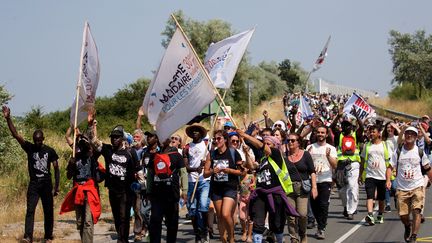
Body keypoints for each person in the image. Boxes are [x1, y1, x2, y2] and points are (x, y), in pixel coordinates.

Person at [2, 106, 60, 243]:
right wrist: (8, 118)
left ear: (43, 139)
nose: (37, 143)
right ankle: (28, 237)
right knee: (30, 210)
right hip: (34, 184)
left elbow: (56, 169)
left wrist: (56, 187)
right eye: (35, 140)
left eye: (39, 140)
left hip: (46, 184)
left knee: (48, 211)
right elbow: (16, 135)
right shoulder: (30, 148)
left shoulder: (50, 151)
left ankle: (48, 236)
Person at [237, 129, 299, 243]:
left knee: (277, 223)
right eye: (265, 143)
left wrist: (245, 135)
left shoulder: (276, 154)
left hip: (276, 194)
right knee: (258, 223)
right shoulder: (262, 159)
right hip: (261, 194)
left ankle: (279, 240)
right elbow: (252, 167)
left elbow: (260, 145)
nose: (265, 146)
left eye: (268, 144)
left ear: (275, 145)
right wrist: (246, 153)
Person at [87, 111, 138, 243]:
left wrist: (140, 186)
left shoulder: (131, 152)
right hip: (113, 190)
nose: (114, 139)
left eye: (116, 137)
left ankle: (122, 240)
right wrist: (90, 125)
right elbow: (92, 141)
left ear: (122, 139)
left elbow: (139, 171)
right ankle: (121, 237)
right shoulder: (108, 149)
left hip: (126, 191)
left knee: (124, 217)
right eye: (112, 137)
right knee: (117, 217)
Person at [386, 126, 432, 243]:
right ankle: (407, 226)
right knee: (403, 215)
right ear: (405, 136)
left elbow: (427, 168)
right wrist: (387, 180)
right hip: (402, 188)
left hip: (417, 186)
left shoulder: (419, 152)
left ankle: (413, 236)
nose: (409, 135)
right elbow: (390, 167)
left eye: (412, 134)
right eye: (407, 133)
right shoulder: (399, 151)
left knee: (417, 211)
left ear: (416, 137)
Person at [204, 130, 248, 243]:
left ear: (225, 140)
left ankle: (231, 238)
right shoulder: (211, 154)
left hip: (230, 187)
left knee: (225, 213)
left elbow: (242, 172)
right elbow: (205, 174)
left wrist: (229, 170)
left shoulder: (233, 153)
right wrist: (213, 171)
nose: (216, 141)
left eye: (219, 138)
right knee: (219, 216)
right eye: (215, 139)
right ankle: (223, 239)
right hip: (216, 188)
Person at [60, 133, 104, 243]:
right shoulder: (75, 157)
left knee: (88, 221)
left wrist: (88, 134)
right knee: (80, 222)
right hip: (78, 191)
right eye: (81, 143)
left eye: (85, 143)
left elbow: (98, 146)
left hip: (90, 191)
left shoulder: (93, 156)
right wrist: (71, 165)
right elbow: (69, 176)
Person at [147, 138, 188, 243]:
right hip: (157, 195)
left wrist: (184, 191)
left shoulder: (177, 155)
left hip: (172, 195)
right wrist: (148, 191)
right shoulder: (154, 155)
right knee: (155, 221)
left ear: (168, 139)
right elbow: (150, 174)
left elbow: (183, 173)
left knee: (172, 223)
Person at [330, 106, 364, 220]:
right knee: (342, 190)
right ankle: (346, 206)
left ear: (352, 126)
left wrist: (356, 115)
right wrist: (338, 116)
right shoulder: (339, 135)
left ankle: (351, 211)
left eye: (348, 125)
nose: (346, 127)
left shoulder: (356, 135)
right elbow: (332, 126)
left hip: (353, 164)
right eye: (344, 125)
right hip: (341, 165)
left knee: (352, 187)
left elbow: (362, 127)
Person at [306, 126, 337, 240]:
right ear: (315, 133)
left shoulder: (331, 148)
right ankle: (320, 222)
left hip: (325, 180)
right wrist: (307, 155)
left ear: (326, 134)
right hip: (312, 180)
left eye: (322, 133)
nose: (320, 134)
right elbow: (305, 164)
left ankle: (321, 228)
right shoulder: (310, 147)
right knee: (314, 206)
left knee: (323, 204)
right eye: (318, 132)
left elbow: (335, 165)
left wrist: (328, 156)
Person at [286, 133, 317, 243]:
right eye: (288, 140)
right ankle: (294, 238)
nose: (290, 142)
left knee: (302, 214)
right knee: (291, 216)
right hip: (288, 189)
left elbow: (312, 172)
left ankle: (303, 234)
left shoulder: (306, 155)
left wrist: (314, 187)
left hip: (302, 188)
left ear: (298, 143)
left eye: (293, 140)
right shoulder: (285, 156)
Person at [183, 124, 211, 243]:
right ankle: (197, 233)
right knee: (192, 210)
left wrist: (205, 165)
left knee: (203, 207)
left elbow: (212, 160)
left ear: (201, 133)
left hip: (204, 181)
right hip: (191, 181)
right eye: (193, 131)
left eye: (197, 131)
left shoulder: (206, 145)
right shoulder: (187, 147)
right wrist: (196, 169)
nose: (195, 132)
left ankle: (204, 230)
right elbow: (187, 168)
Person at [359, 125, 390, 226]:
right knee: (370, 196)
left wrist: (389, 178)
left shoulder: (384, 145)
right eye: (370, 132)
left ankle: (380, 215)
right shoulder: (367, 146)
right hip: (370, 175)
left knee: (381, 198)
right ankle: (370, 215)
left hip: (382, 176)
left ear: (379, 133)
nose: (371, 134)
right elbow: (363, 160)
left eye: (373, 132)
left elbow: (389, 162)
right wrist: (360, 174)